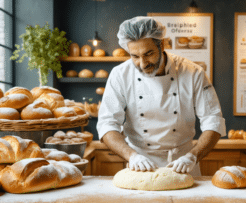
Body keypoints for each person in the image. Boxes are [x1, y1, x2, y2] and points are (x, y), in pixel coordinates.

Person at [97, 16, 226, 176]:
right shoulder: (120, 75)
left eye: (148, 54)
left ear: (162, 45)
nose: (143, 64)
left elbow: (213, 121)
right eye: (135, 56)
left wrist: (192, 157)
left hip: (183, 165)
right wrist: (132, 156)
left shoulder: (193, 73)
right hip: (139, 166)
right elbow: (107, 125)